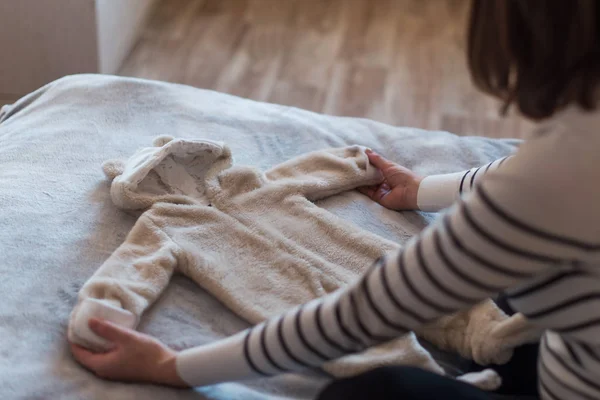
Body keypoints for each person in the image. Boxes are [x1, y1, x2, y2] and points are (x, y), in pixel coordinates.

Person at [69, 1, 600, 399]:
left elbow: (362, 314)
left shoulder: (551, 182)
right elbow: (130, 271)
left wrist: (174, 367)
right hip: (567, 353)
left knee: (376, 389)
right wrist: (422, 190)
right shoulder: (166, 224)